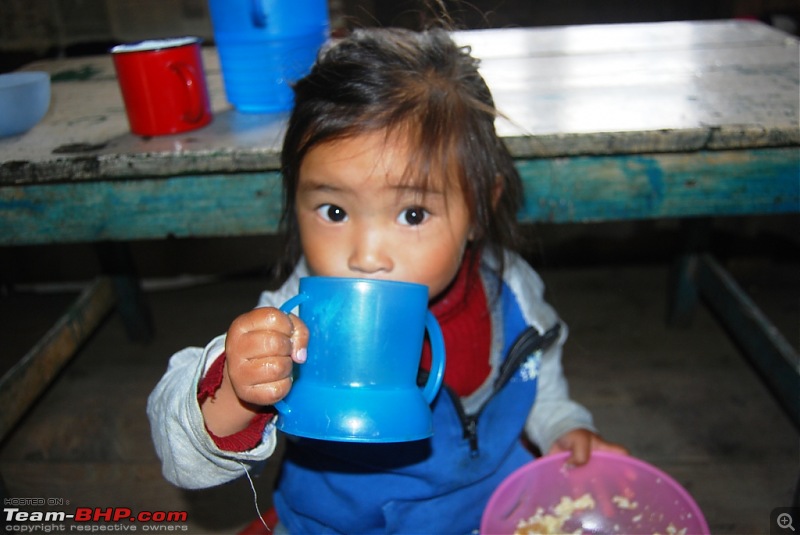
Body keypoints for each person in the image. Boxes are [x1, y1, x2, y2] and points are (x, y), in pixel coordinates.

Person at [147, 26, 626, 534]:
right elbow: (182, 460)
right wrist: (233, 394)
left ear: (480, 211)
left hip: (489, 514)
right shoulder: (293, 319)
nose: (367, 255)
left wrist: (563, 426)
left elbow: (541, 375)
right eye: (334, 210)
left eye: (414, 214)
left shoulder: (511, 293)